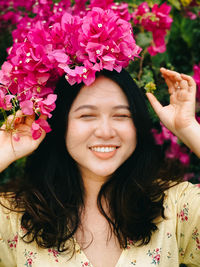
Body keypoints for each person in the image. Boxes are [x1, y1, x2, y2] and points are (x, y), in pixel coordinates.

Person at [0, 66, 200, 267]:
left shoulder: (173, 207)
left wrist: (188, 127)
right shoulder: (16, 216)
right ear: (62, 124)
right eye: (87, 115)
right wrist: (4, 151)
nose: (105, 132)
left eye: (121, 116)